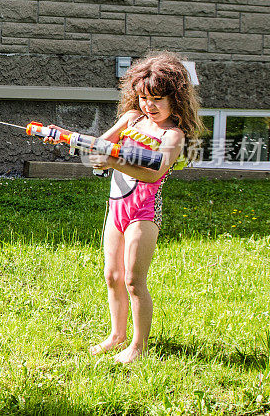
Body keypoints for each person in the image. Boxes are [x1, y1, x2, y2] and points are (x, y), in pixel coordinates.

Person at [48, 52, 202, 363]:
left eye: (158, 99)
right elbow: (99, 145)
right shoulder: (131, 119)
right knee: (112, 275)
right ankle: (116, 336)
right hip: (116, 207)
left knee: (133, 279)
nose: (150, 105)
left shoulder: (173, 135)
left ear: (176, 99)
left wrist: (113, 160)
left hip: (144, 212)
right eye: (145, 97)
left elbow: (155, 170)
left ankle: (137, 346)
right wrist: (67, 138)